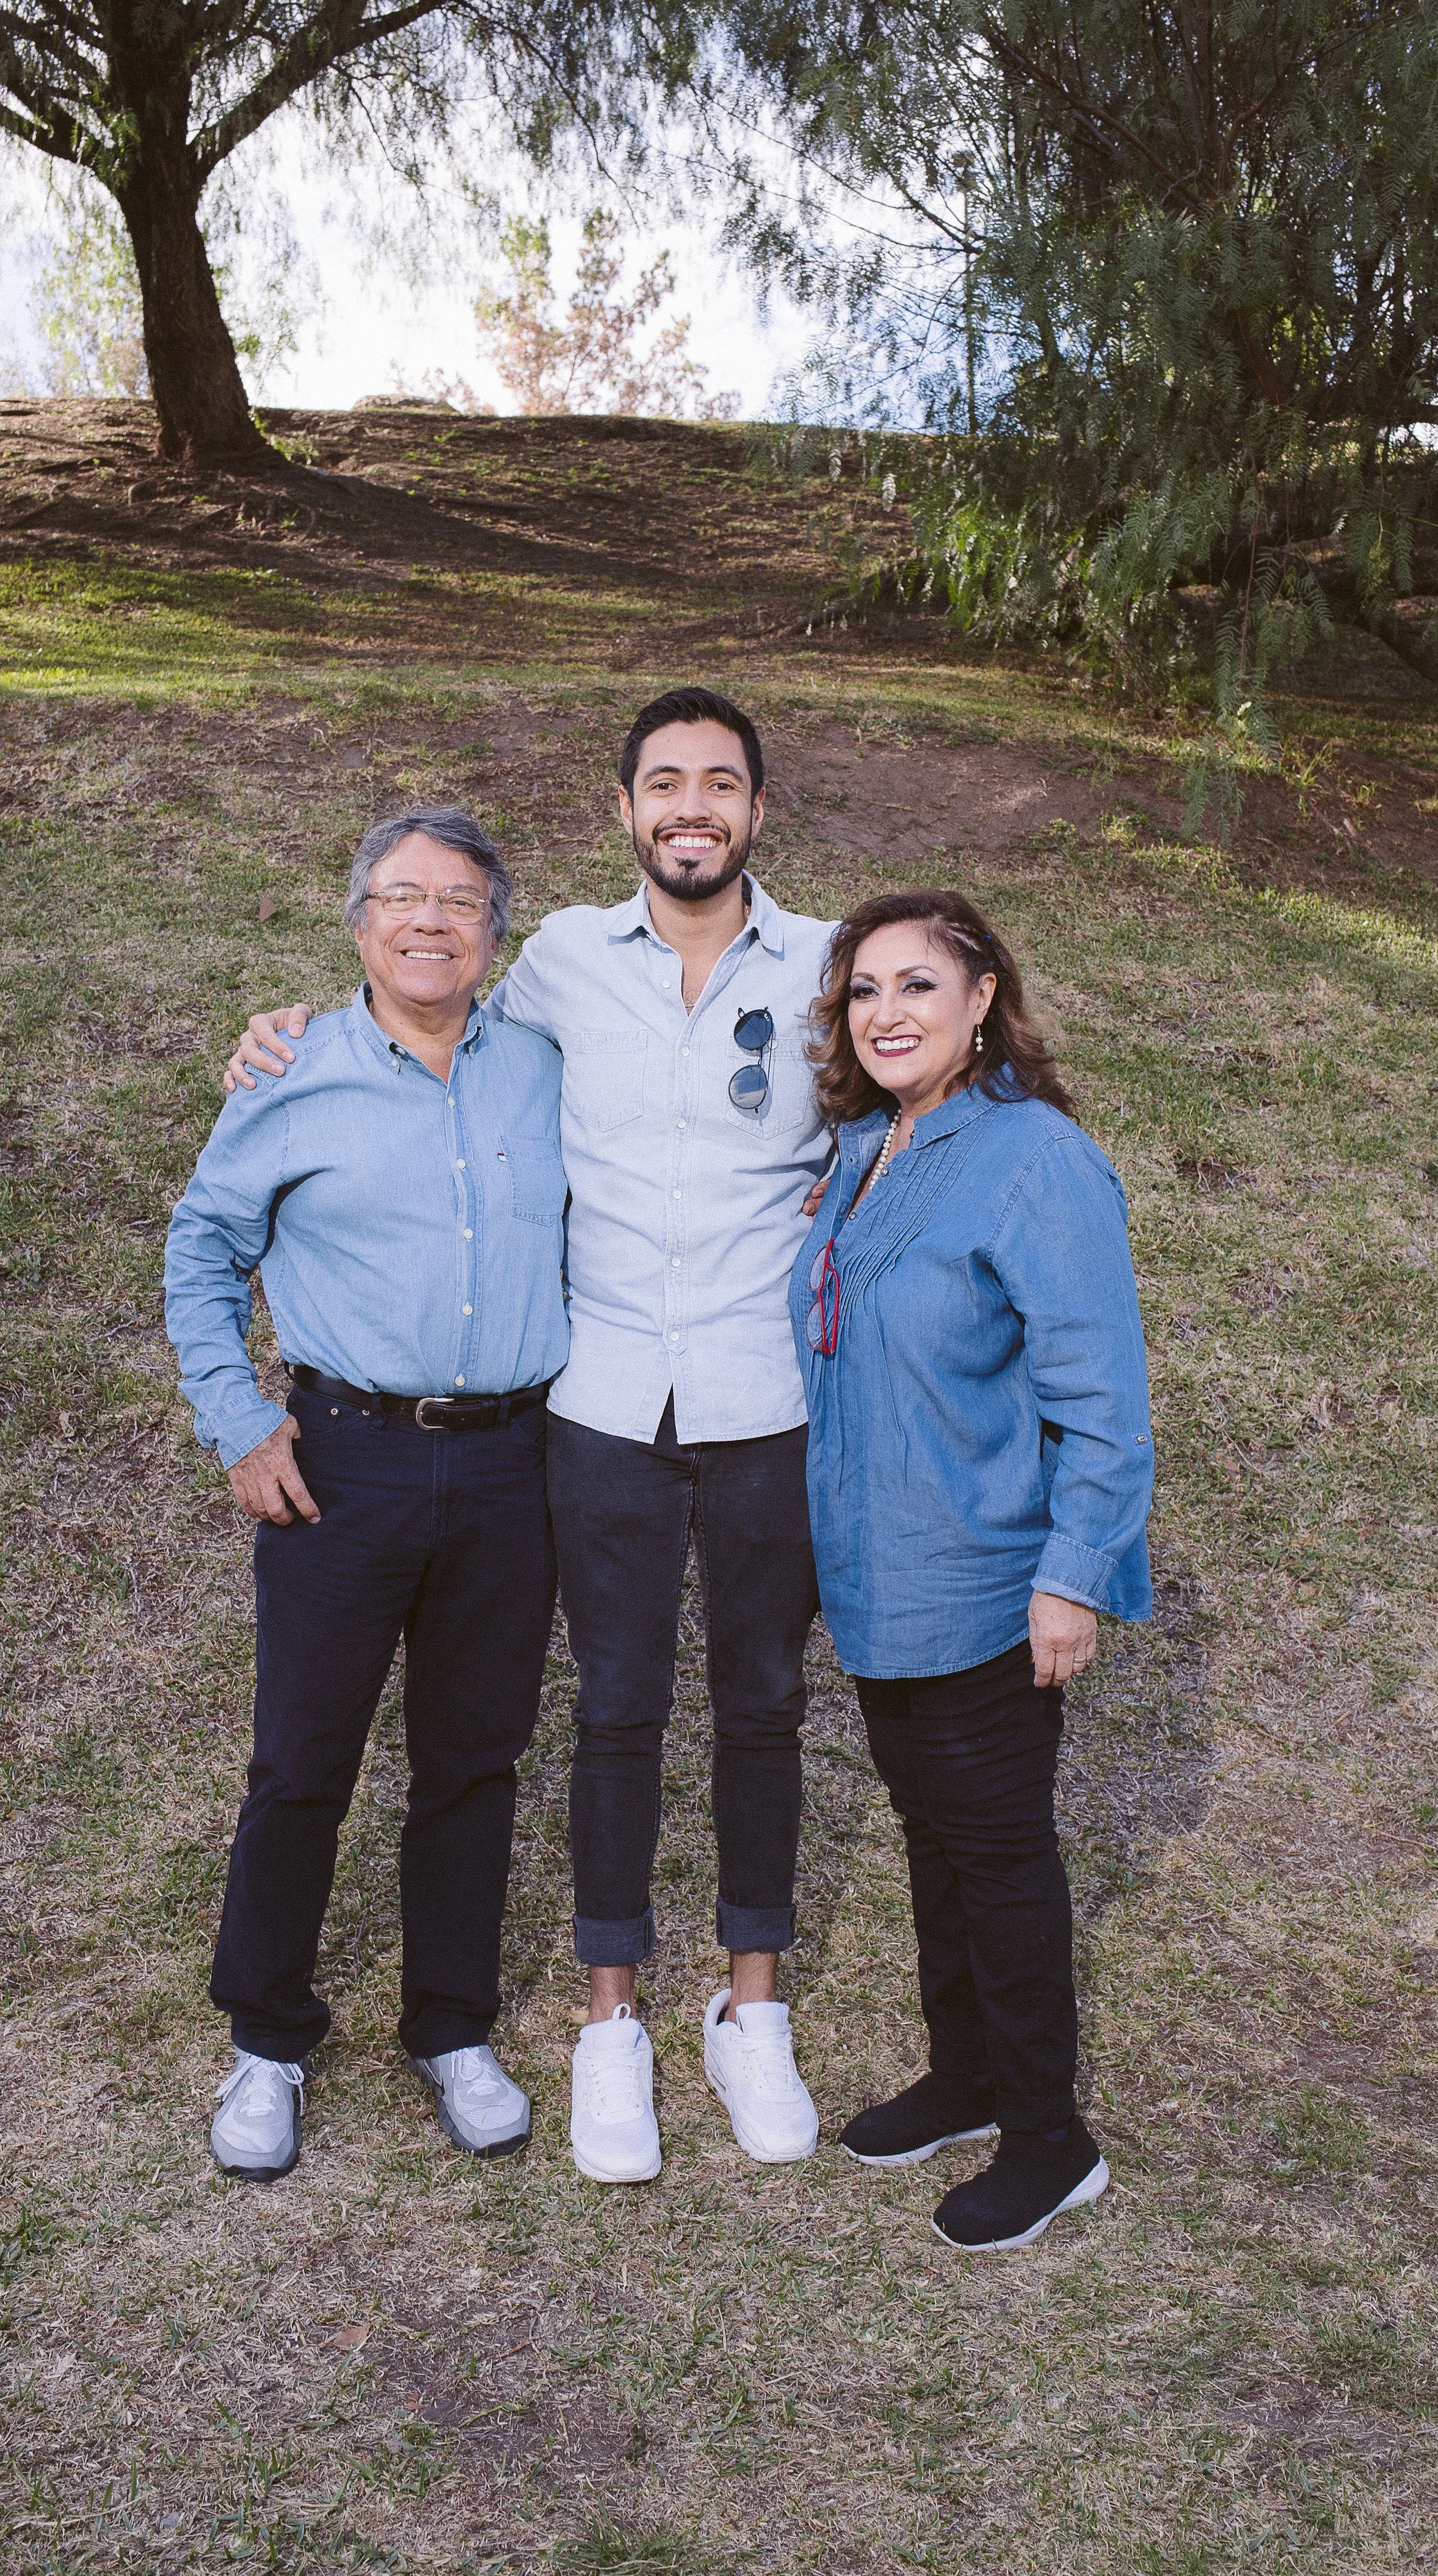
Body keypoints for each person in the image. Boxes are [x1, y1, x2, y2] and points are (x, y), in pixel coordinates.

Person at [225, 689, 833, 2181]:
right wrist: (282, 1035)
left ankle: (715, 2012)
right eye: (663, 783)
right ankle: (565, 2024)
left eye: (721, 784)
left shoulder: (825, 967)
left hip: (741, 1402)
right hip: (583, 1405)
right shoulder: (561, 959)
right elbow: (414, 1026)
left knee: (718, 1708)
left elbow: (915, 1078)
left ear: (757, 808)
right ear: (622, 809)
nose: (691, 807)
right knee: (569, 1713)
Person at [166, 808, 568, 2183]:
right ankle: (266, 2039)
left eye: (459, 902)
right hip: (344, 1460)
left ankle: (449, 2026)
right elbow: (204, 1246)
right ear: (356, 925)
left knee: (473, 1757)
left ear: (493, 934)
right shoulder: (292, 1068)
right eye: (400, 897)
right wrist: (237, 1418)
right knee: (302, 1761)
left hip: (517, 1463)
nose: (429, 921)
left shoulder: (547, 1066)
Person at [788, 888, 1154, 2252]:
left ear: (981, 997)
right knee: (929, 1842)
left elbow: (1101, 1398)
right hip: (878, 1582)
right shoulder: (861, 1149)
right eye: (862, 991)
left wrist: (1071, 1576)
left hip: (991, 1586)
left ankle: (1049, 2139)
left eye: (915, 987)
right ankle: (964, 2074)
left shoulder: (1030, 1159)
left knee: (998, 1859)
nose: (884, 1013)